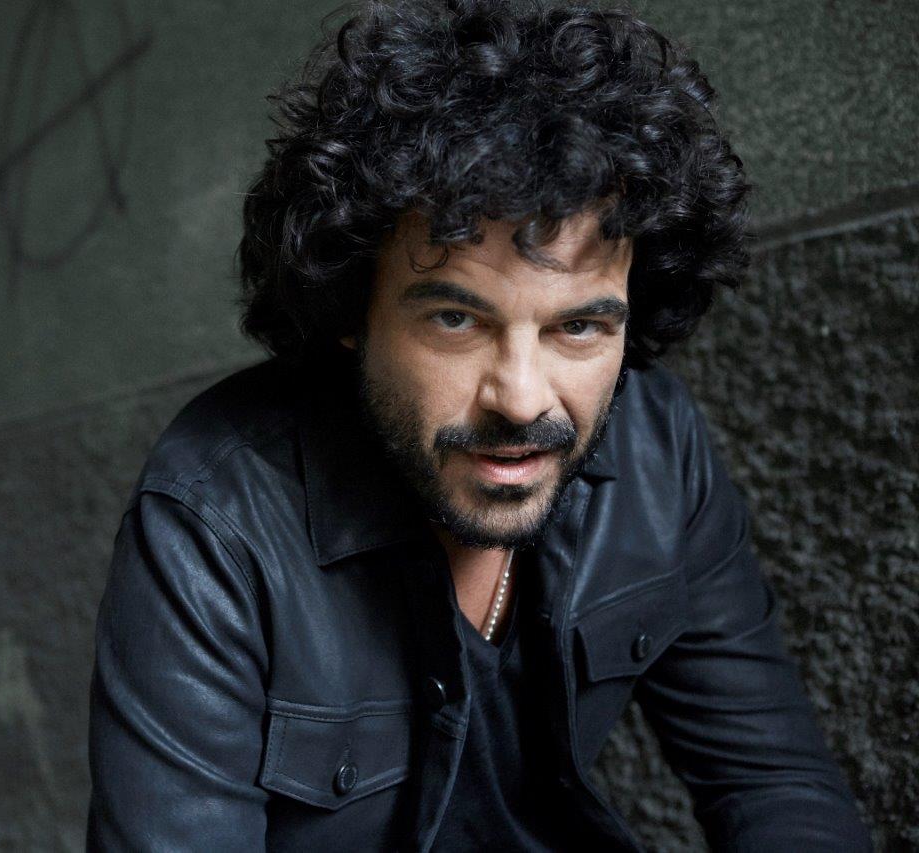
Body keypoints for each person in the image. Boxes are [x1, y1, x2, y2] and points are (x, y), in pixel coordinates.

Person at [86, 1, 870, 849]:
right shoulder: (217, 520)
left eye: (578, 326)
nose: (522, 399)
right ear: (352, 310)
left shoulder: (657, 448)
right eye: (456, 320)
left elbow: (775, 783)